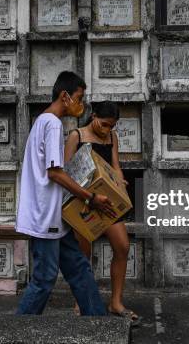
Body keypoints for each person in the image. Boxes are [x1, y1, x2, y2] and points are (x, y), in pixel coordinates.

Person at [15, 71, 117, 316]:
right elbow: (55, 173)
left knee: (79, 269)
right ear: (65, 96)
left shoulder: (43, 121)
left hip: (54, 217)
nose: (82, 105)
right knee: (44, 279)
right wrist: (90, 197)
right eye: (79, 98)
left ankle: (98, 323)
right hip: (45, 217)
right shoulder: (51, 123)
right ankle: (16, 330)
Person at [64, 101, 140, 325]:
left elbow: (114, 165)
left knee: (122, 246)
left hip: (108, 201)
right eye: (105, 125)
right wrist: (87, 195)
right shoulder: (76, 136)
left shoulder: (111, 137)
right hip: (85, 202)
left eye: (112, 127)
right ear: (93, 115)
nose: (107, 130)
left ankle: (115, 302)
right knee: (83, 253)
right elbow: (67, 172)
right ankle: (82, 300)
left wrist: (119, 182)